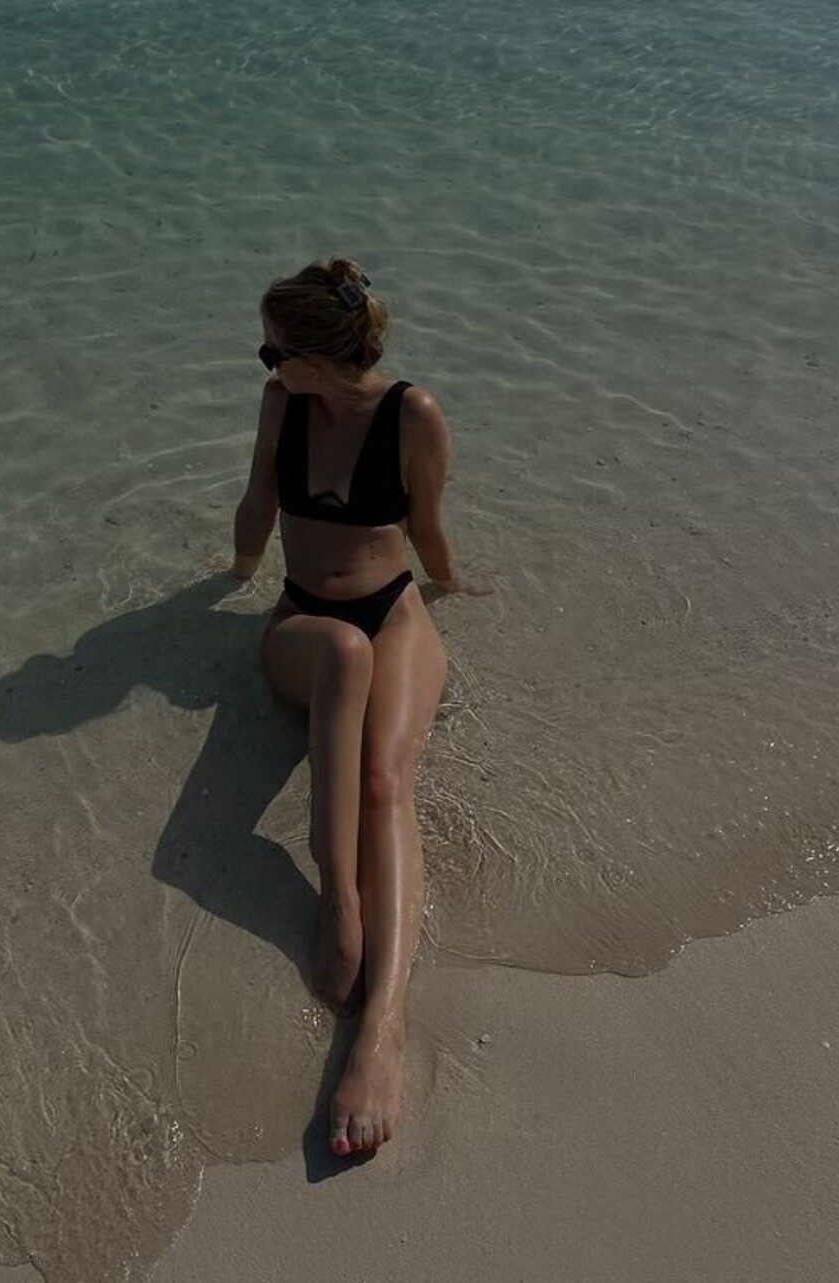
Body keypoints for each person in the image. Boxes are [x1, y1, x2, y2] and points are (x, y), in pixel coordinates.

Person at [230, 257, 484, 1158]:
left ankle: (383, 1029)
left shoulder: (414, 414)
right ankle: (338, 894)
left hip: (396, 612)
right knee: (341, 651)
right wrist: (232, 577)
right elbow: (260, 503)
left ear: (318, 356)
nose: (266, 365)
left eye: (274, 352)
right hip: (306, 625)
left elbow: (426, 526)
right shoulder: (283, 407)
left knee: (386, 781)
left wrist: (454, 584)